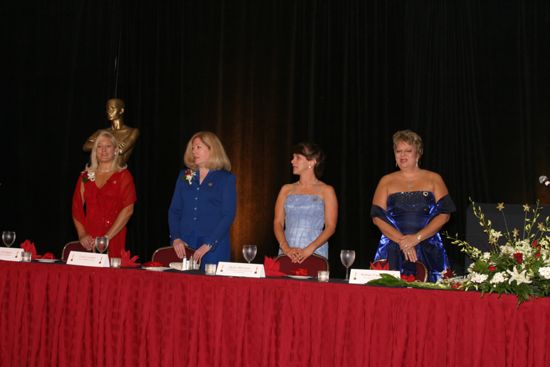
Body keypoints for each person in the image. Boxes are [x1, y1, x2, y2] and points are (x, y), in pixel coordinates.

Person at [371, 129, 455, 282]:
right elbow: (377, 217)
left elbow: (444, 215)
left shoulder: (434, 179)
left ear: (418, 153)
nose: (402, 155)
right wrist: (404, 241)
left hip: (428, 246)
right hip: (393, 247)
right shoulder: (386, 181)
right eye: (399, 151)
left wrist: (416, 238)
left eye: (408, 151)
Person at [168, 131, 236, 268]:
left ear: (212, 149)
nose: (194, 151)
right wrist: (176, 238)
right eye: (192, 148)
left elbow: (228, 215)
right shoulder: (185, 175)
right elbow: (174, 210)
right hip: (185, 245)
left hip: (213, 248)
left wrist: (209, 244)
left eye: (198, 147)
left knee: (211, 288)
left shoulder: (225, 178)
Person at [72, 130, 137, 258]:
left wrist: (106, 238)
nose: (104, 150)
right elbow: (76, 207)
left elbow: (128, 209)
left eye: (108, 146)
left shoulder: (123, 176)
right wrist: (82, 234)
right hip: (89, 240)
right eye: (99, 147)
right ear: (95, 151)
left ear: (115, 150)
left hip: (113, 236)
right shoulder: (86, 177)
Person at [273, 142, 338, 263]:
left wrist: (309, 250)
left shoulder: (326, 190)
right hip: (287, 252)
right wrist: (286, 248)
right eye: (293, 157)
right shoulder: (286, 189)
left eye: (297, 158)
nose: (292, 161)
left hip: (315, 252)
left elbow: (330, 227)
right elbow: (278, 222)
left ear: (311, 162)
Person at [83, 98, 139, 164]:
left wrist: (99, 143)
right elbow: (86, 147)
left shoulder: (132, 131)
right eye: (108, 108)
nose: (109, 111)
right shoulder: (100, 131)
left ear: (121, 110)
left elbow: (120, 150)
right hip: (99, 170)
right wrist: (114, 144)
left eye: (113, 108)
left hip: (118, 171)